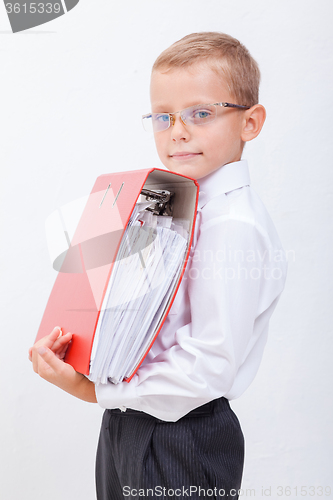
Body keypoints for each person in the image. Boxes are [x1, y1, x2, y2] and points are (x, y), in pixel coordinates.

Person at [29, 32, 287, 499]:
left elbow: (207, 367)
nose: (177, 131)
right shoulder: (175, 207)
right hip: (131, 421)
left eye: (201, 113)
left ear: (250, 123)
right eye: (163, 116)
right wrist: (84, 353)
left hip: (182, 436)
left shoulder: (233, 226)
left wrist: (92, 393)